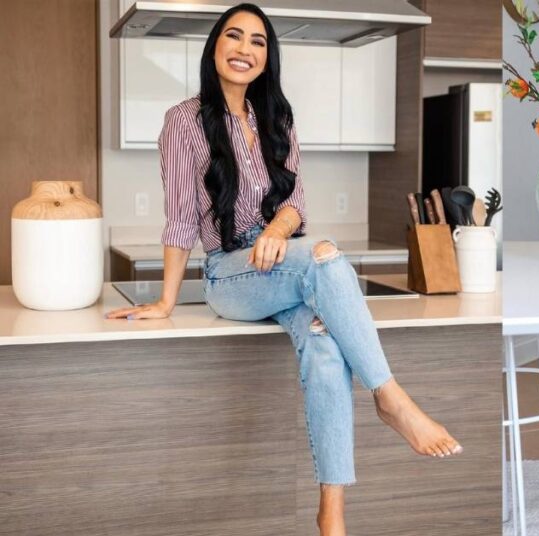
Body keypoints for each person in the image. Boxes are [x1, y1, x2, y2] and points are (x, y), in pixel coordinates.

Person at [105, 4, 461, 535]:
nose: (244, 49)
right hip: (231, 273)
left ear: (268, 57)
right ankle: (390, 397)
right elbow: (180, 217)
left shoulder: (277, 117)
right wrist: (165, 302)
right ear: (215, 46)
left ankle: (331, 515)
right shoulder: (182, 121)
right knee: (325, 255)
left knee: (322, 343)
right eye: (234, 36)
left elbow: (296, 201)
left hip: (283, 258)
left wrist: (275, 231)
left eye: (257, 41)